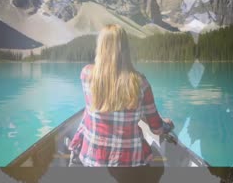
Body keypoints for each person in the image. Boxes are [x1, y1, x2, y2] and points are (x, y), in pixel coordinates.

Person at [68, 24, 173, 182]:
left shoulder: (86, 74)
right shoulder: (140, 82)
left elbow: (103, 105)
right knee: (159, 167)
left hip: (92, 159)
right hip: (129, 164)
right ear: (125, 49)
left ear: (101, 47)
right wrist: (166, 125)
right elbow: (156, 129)